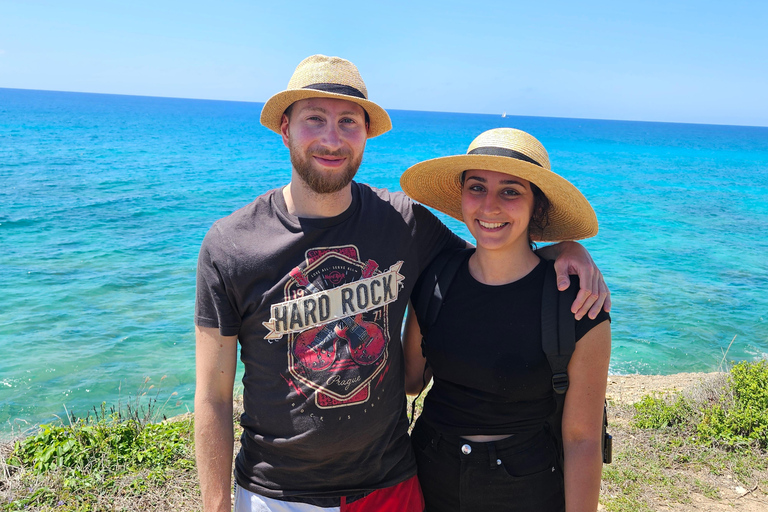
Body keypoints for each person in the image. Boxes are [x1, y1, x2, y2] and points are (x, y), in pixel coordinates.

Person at [194, 55, 610, 512]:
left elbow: (492, 250)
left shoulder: (404, 223)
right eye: (315, 119)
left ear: (365, 135)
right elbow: (212, 397)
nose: (332, 139)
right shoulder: (230, 245)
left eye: (349, 122)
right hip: (277, 493)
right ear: (285, 128)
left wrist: (563, 248)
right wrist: (216, 506)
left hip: (391, 483)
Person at [400, 127, 612, 512]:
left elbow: (582, 438)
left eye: (511, 191)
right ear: (461, 196)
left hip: (528, 486)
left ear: (538, 207)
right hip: (430, 472)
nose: (489, 206)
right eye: (477, 187)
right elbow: (411, 380)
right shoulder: (433, 279)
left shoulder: (577, 302)